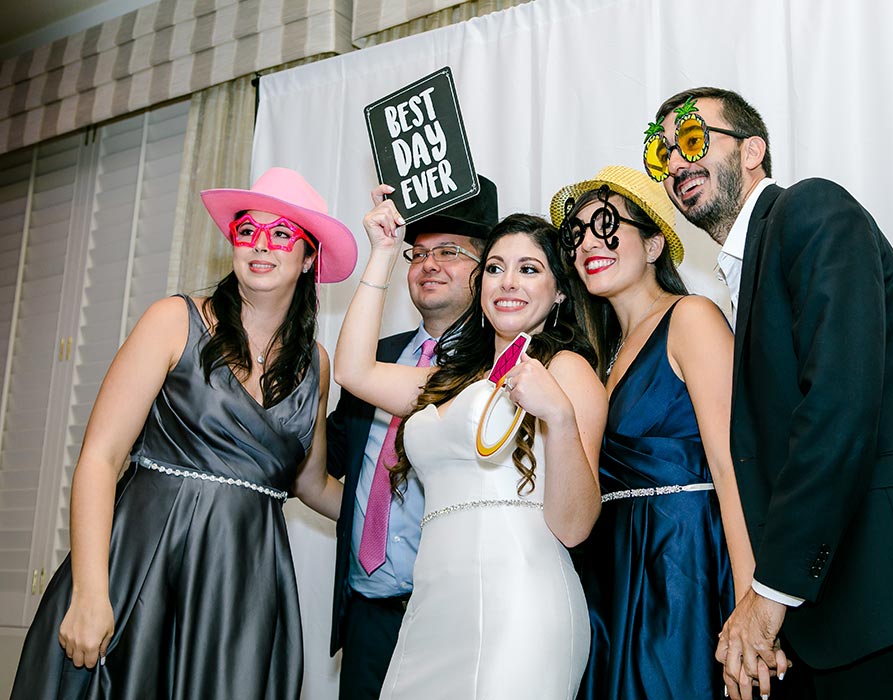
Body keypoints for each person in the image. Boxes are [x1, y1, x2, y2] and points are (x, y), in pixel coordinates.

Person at [646, 87, 893, 699]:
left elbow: (838, 407)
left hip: (880, 590)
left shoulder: (811, 210)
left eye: (691, 140)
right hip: (826, 611)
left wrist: (768, 596)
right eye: (663, 156)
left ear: (753, 150)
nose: (677, 163)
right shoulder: (744, 271)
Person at [11, 167, 357, 699]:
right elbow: (100, 458)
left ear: (309, 258)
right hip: (144, 567)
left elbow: (310, 484)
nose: (261, 245)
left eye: (282, 233)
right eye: (248, 231)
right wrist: (89, 592)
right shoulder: (173, 321)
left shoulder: (317, 364)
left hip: (243, 586)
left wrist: (395, 510)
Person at [333, 207, 607, 699]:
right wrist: (383, 253)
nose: (508, 282)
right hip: (434, 609)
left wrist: (561, 417)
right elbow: (353, 370)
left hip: (519, 607)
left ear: (560, 291)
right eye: (496, 268)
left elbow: (574, 526)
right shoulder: (452, 380)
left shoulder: (567, 370)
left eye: (529, 269)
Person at [549, 165, 754, 699]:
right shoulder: (596, 357)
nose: (588, 244)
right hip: (612, 573)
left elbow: (736, 467)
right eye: (576, 235)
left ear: (655, 243)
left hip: (682, 563)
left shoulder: (692, 318)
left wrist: (751, 601)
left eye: (607, 225)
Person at [327, 176, 497, 700]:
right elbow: (333, 470)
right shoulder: (376, 355)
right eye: (417, 252)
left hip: (457, 614)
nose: (429, 264)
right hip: (368, 610)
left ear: (488, 266)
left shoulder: (500, 365)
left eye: (450, 250)